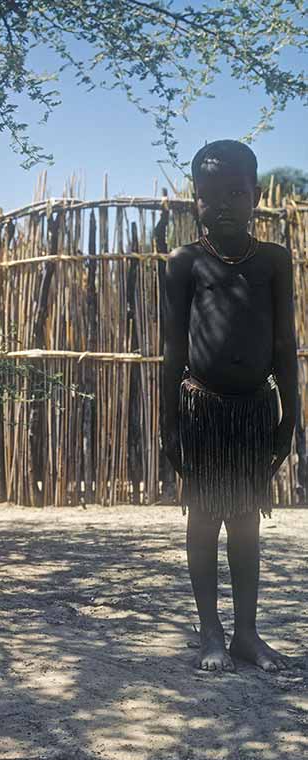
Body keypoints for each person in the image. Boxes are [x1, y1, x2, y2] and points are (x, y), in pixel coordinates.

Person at [163, 139, 297, 673]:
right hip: (203, 412)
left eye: (235, 193)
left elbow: (285, 345)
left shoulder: (274, 261)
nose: (223, 204)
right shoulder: (185, 263)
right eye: (209, 194)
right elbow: (173, 349)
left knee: (246, 525)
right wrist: (168, 423)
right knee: (203, 522)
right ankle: (210, 634)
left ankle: (247, 633)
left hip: (254, 411)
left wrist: (291, 417)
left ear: (256, 195)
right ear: (194, 199)